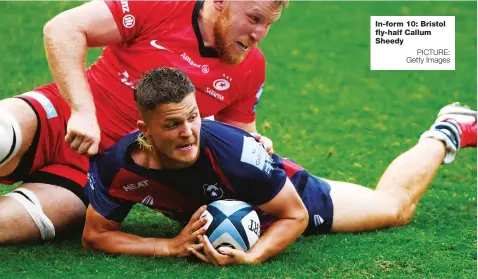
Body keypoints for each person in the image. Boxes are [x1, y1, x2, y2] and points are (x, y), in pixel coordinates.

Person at [81, 68, 476, 265]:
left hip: (287, 192)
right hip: (245, 200)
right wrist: (168, 246)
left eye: (194, 117)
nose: (188, 133)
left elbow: (294, 215)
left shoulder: (234, 152)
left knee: (394, 209)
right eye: (172, 124)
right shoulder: (118, 167)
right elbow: (96, 235)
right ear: (143, 129)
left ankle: (447, 129)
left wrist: (254, 256)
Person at [0, 0, 286, 243]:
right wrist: (82, 111)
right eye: (254, 18)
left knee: (6, 224)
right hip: (56, 117)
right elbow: (62, 29)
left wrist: (256, 145)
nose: (260, 33)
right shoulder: (162, 5)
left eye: (269, 24)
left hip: (91, 176)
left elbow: (233, 139)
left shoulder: (250, 66)